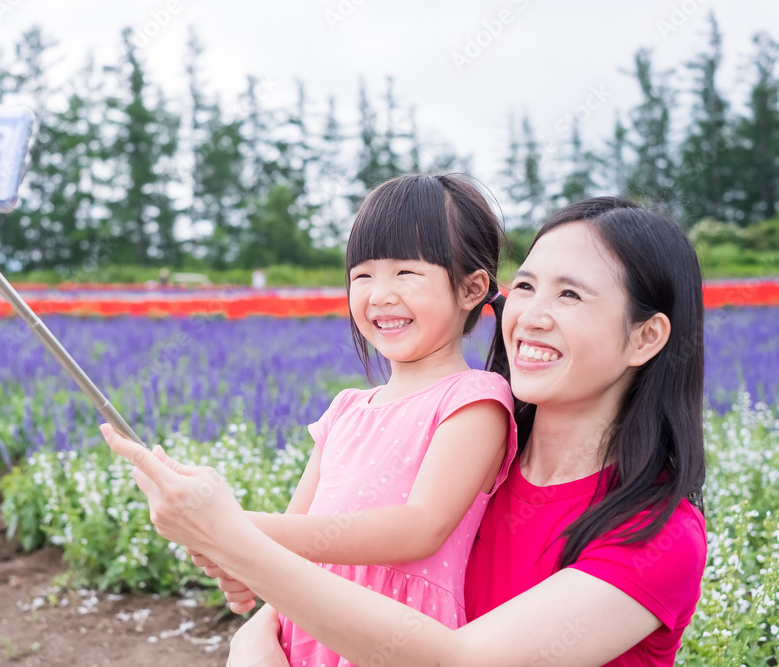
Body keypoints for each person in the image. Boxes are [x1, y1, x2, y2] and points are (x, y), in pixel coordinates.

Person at [101, 196, 708, 666]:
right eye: (525, 286)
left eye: (571, 294)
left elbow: (460, 661)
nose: (531, 316)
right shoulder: (478, 464)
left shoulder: (655, 536)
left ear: (644, 337)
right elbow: (342, 570)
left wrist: (233, 534)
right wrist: (257, 632)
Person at [226, 173, 517, 665]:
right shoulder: (344, 410)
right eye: (362, 275)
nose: (379, 294)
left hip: (397, 638)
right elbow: (296, 531)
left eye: (406, 273)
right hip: (310, 631)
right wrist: (246, 562)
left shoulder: (475, 399)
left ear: (471, 288)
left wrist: (238, 531)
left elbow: (419, 528)